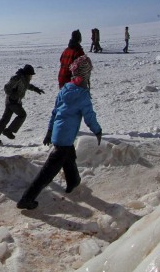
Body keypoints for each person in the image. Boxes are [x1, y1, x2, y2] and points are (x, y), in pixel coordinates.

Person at [17, 55, 102, 210]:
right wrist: (97, 130)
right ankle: (26, 199)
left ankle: (73, 181)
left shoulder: (65, 89)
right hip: (65, 137)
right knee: (48, 172)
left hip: (59, 133)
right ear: (86, 75)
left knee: (69, 157)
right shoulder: (83, 95)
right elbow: (89, 117)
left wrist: (50, 131)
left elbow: (55, 112)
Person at [0, 64, 44, 144]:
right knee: (22, 115)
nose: (31, 77)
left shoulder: (24, 79)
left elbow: (27, 86)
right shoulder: (17, 78)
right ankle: (8, 131)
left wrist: (36, 89)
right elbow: (7, 87)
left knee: (5, 119)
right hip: (12, 101)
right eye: (30, 75)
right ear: (27, 74)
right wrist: (13, 94)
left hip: (13, 101)